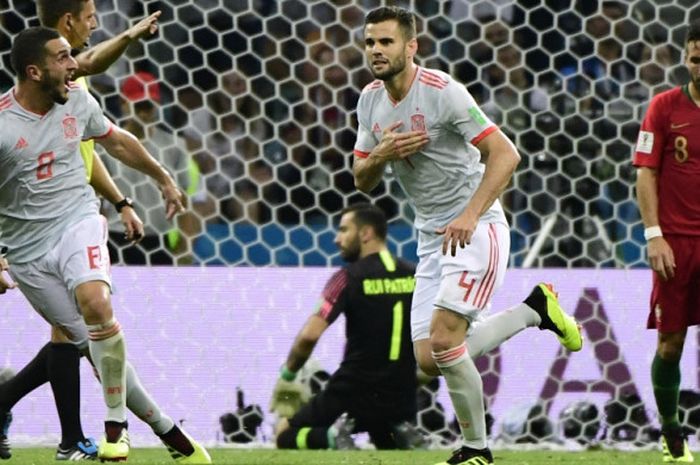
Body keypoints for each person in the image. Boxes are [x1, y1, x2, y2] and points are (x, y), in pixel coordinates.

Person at [352, 7, 582, 465]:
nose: (376, 51)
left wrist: (470, 215)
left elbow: (506, 154)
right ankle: (534, 310)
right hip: (430, 236)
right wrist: (380, 154)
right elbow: (362, 179)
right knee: (428, 359)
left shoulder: (444, 93)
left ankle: (476, 450)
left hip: (475, 228)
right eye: (370, 43)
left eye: (386, 42)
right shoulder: (369, 100)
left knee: (443, 341)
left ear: (411, 46)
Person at [0, 2, 206, 463]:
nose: (75, 64)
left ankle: (109, 429)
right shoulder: (4, 124)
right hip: (28, 250)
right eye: (64, 57)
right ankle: (167, 430)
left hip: (77, 220)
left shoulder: (74, 95)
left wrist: (154, 183)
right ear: (34, 71)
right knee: (84, 344)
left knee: (95, 305)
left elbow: (111, 140)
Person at [271, 203, 420, 450]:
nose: (336, 239)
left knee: (283, 434)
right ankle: (397, 431)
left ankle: (333, 438)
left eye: (343, 230)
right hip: (402, 395)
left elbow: (309, 336)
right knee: (386, 438)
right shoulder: (414, 275)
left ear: (365, 233)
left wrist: (287, 375)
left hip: (353, 389)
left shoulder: (348, 277)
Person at [633, 19, 700, 464]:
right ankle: (672, 430)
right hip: (676, 242)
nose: (699, 65)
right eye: (695, 58)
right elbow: (645, 172)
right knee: (670, 344)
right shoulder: (664, 106)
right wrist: (654, 235)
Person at [103, 71, 202, 265]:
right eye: (138, 105)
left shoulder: (174, 146)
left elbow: (184, 201)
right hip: (116, 237)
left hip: (158, 239)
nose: (143, 112)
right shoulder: (105, 146)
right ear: (123, 104)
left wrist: (185, 245)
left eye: (148, 106)